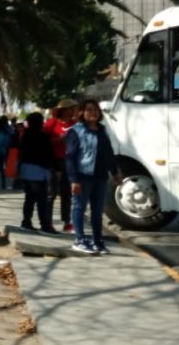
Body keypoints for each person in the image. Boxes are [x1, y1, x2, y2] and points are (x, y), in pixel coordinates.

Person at [65, 100, 119, 255]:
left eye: (95, 110)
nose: (93, 112)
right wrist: (74, 180)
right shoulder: (76, 131)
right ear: (81, 112)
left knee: (97, 211)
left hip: (100, 177)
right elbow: (70, 157)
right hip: (83, 177)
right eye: (89, 110)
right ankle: (79, 240)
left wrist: (115, 172)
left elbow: (108, 153)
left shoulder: (102, 130)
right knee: (79, 208)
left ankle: (98, 241)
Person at [17, 112, 58, 234]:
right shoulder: (43, 137)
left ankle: (26, 222)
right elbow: (49, 155)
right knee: (42, 199)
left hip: (26, 169)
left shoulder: (25, 136)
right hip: (40, 171)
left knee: (29, 198)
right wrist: (54, 168)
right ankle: (44, 224)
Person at [44, 99, 78, 232]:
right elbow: (43, 141)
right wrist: (59, 139)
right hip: (53, 162)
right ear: (62, 110)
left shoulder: (75, 124)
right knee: (51, 193)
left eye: (72, 108)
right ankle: (48, 222)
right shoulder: (52, 123)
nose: (71, 111)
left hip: (69, 162)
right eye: (69, 108)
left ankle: (66, 222)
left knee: (67, 193)